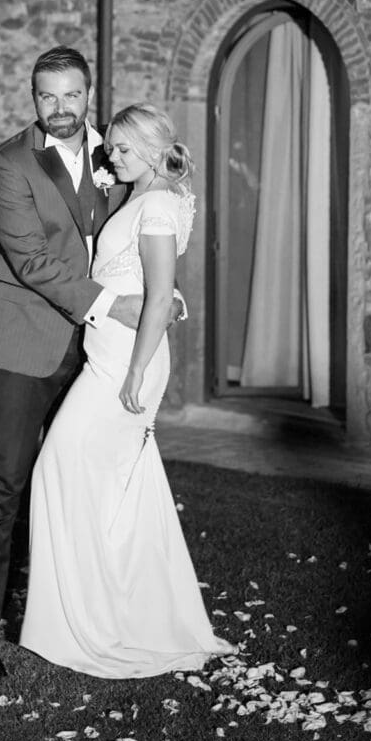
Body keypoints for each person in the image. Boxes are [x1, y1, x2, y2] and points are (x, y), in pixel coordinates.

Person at [0, 47, 158, 678]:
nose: (61, 107)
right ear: (34, 97)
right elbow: (32, 261)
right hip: (27, 342)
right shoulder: (9, 163)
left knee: (89, 479)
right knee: (6, 481)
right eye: (48, 96)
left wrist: (160, 288)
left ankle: (83, 613)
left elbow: (148, 220)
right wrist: (113, 305)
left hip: (97, 349)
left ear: (89, 93)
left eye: (72, 95)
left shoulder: (116, 155)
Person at [19, 103, 234, 678]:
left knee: (58, 466)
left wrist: (137, 371)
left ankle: (89, 619)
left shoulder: (159, 204)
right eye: (109, 148)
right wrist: (113, 183)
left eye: (119, 148)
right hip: (112, 352)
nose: (109, 157)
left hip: (126, 362)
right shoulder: (143, 195)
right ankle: (112, 609)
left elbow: (161, 295)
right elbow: (132, 277)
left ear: (149, 148)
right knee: (106, 483)